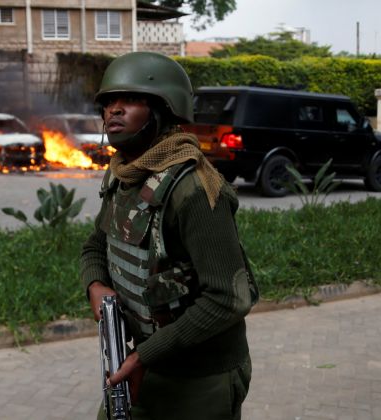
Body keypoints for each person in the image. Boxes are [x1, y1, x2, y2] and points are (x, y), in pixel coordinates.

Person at [81, 51, 259, 420]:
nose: (113, 110)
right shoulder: (123, 174)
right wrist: (95, 284)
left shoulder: (194, 188)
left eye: (130, 100)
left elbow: (228, 298)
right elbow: (97, 243)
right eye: (108, 102)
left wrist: (146, 356)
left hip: (200, 377)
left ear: (163, 109)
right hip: (143, 362)